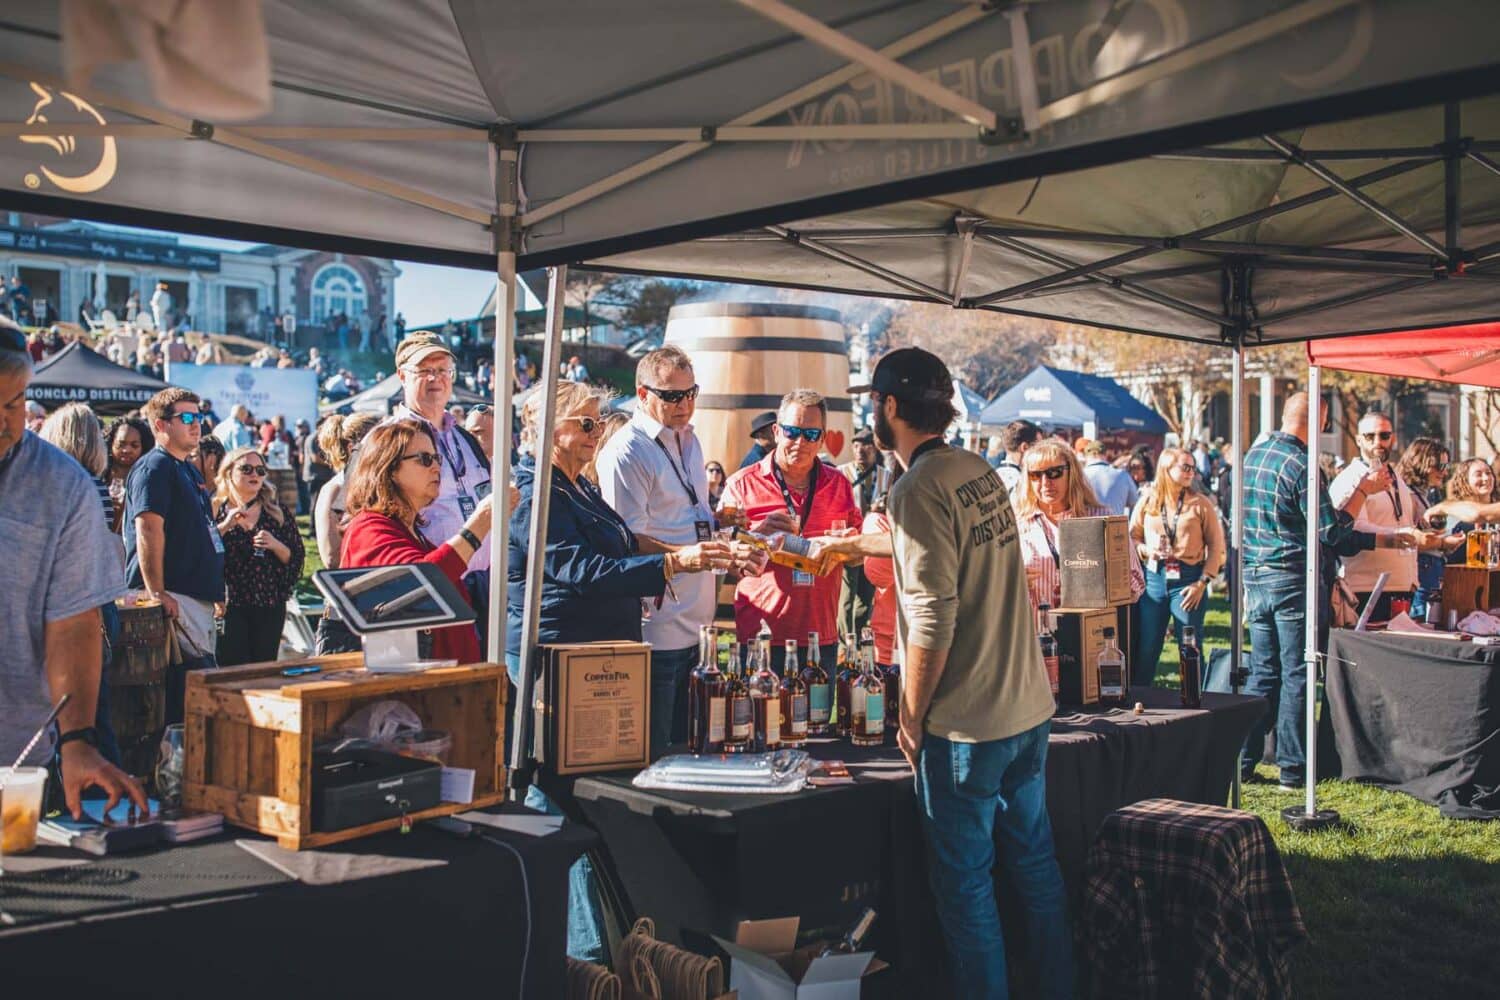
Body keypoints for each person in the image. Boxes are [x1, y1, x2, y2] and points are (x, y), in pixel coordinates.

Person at [823, 347, 1073, 998]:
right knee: (1035, 866)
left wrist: (910, 719)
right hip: (1026, 708)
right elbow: (941, 546)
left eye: (873, 404)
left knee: (966, 889)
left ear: (890, 406)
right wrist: (850, 543)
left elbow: (933, 617)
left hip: (968, 725)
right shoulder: (976, 470)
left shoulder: (915, 489)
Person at [507, 379, 735, 960]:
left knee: (587, 802)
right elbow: (582, 569)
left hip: (593, 655)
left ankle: (596, 945)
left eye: (600, 422)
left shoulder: (577, 484)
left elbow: (623, 539)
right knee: (559, 804)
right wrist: (675, 564)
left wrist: (684, 555)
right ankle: (581, 956)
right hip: (556, 660)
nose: (597, 433)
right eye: (586, 423)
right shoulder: (533, 493)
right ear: (548, 428)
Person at [0, 319, 147, 818]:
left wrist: (78, 739)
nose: (4, 423)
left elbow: (74, 621)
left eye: (14, 404)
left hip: (16, 760)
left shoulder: (62, 485)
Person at [1239, 392, 1420, 791]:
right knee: (1298, 672)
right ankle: (1292, 770)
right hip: (1291, 577)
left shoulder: (1254, 455)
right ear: (1319, 420)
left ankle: (1243, 761)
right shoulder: (1302, 464)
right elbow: (1331, 533)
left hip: (1255, 575)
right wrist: (1363, 493)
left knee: (1264, 672)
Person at [595, 346, 724, 754]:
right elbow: (627, 539)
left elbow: (690, 514)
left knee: (693, 748)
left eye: (691, 393)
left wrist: (725, 523)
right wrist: (688, 557)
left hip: (698, 620)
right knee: (655, 754)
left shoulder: (690, 439)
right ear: (642, 394)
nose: (684, 404)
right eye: (672, 396)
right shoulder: (627, 450)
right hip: (659, 626)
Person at [720, 389, 862, 668]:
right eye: (792, 432)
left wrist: (850, 544)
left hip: (819, 636)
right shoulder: (742, 484)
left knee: (817, 701)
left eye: (810, 434)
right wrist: (757, 536)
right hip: (761, 635)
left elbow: (857, 555)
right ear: (776, 431)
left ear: (822, 438)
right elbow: (721, 558)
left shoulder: (839, 485)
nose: (800, 442)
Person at [341, 420, 500, 664]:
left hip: (445, 678)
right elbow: (421, 582)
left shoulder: (413, 533)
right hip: (410, 681)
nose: (436, 468)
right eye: (425, 459)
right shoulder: (368, 529)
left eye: (437, 459)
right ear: (389, 468)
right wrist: (478, 525)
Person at [123, 387, 225, 723]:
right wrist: (156, 592)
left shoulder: (188, 469)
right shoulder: (154, 467)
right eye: (187, 417)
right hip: (173, 597)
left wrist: (215, 588)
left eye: (199, 416)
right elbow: (148, 529)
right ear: (160, 425)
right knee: (183, 703)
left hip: (194, 597)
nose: (197, 424)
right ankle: (169, 758)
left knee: (197, 700)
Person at [39, 402, 127, 766]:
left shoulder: (72, 486)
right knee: (93, 713)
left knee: (83, 717)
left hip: (80, 609)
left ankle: (95, 788)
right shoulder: (95, 486)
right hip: (99, 604)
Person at [391, 334, 495, 638]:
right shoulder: (387, 441)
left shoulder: (465, 440)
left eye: (443, 369)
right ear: (402, 376)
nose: (435, 378)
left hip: (485, 587)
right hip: (431, 590)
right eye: (424, 370)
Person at [1129, 448, 1226, 686]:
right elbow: (1132, 537)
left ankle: (1194, 699)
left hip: (1188, 581)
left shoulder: (1200, 504)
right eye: (1185, 467)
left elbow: (1217, 547)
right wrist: (1146, 550)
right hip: (1154, 579)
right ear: (1166, 468)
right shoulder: (1148, 501)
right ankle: (1140, 698)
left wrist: (1202, 583)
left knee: (1189, 647)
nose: (1191, 472)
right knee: (1147, 646)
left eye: (1193, 467)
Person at [1014, 439, 1144, 615]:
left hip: (1089, 628)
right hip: (1036, 628)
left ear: (1072, 473)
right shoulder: (1018, 526)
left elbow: (1136, 583)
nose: (1045, 482)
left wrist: (1104, 579)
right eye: (1035, 475)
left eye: (1054, 473)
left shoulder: (1102, 519)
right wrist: (1014, 582)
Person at [1329, 412, 1433, 622]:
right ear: (1358, 440)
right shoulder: (1349, 478)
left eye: (1384, 436)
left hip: (1403, 587)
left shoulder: (1396, 476)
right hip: (1366, 589)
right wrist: (1404, 533)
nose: (1378, 442)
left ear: (1393, 438)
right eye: (1370, 436)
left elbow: (1401, 522)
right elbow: (1352, 529)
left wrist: (1426, 531)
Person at [212, 447, 304, 665]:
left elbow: (295, 558)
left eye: (260, 470)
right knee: (232, 669)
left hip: (269, 603)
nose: (254, 475)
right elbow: (200, 550)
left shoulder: (276, 512)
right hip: (229, 604)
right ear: (229, 472)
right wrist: (224, 527)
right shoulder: (215, 510)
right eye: (246, 469)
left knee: (264, 669)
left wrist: (275, 545)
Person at [1395, 438, 1462, 619]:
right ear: (1421, 463)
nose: (1444, 471)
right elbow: (1406, 540)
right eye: (1440, 465)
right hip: (1422, 573)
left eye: (1447, 466)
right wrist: (1443, 543)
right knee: (1421, 620)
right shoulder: (1409, 495)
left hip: (1431, 569)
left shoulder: (1425, 494)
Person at [313, 412, 381, 571]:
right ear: (352, 449)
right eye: (378, 443)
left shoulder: (379, 485)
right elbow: (331, 558)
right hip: (354, 580)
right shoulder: (334, 490)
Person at [837, 427, 881, 636]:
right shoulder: (841, 473)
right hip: (849, 542)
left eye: (866, 446)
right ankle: (844, 643)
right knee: (846, 596)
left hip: (873, 544)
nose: (860, 451)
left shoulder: (886, 475)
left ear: (875, 449)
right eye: (856, 446)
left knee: (865, 595)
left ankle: (858, 638)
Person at [1437, 458, 1497, 560]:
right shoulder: (1454, 517)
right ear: (1464, 480)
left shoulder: (1496, 513)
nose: (1486, 478)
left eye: (1488, 473)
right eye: (1478, 474)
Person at [105, 415, 154, 533]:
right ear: (111, 443)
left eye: (134, 445)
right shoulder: (99, 475)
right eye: (121, 444)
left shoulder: (148, 480)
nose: (127, 450)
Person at [1077, 437, 1138, 516]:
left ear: (1086, 456)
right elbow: (1135, 503)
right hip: (1115, 523)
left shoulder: (1079, 476)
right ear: (1105, 455)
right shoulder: (1122, 475)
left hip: (1087, 523)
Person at [993, 419, 1042, 497]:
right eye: (1039, 447)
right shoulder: (1023, 482)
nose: (1042, 453)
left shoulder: (994, 474)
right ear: (1025, 447)